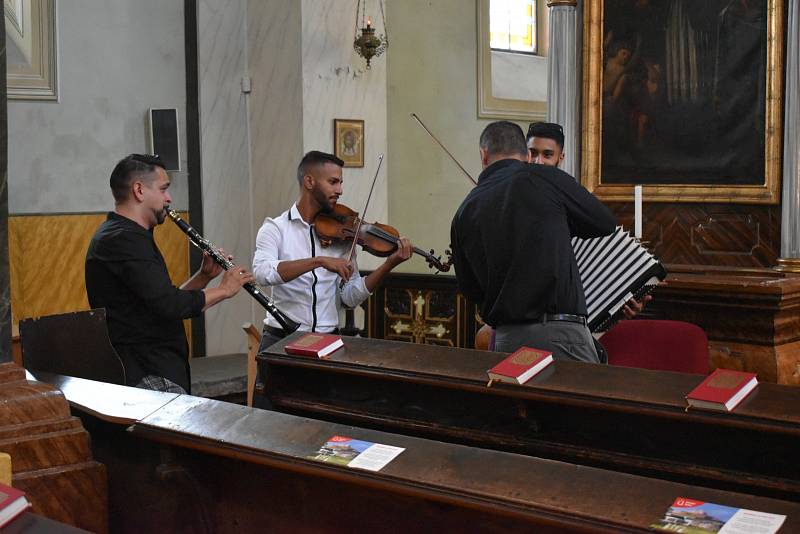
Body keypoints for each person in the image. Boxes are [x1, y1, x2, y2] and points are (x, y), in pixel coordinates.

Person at [85, 154, 253, 394]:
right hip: (146, 373)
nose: (169, 198)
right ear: (139, 190)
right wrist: (225, 290)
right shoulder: (123, 239)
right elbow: (170, 306)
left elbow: (159, 303)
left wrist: (203, 276)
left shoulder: (126, 235)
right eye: (164, 189)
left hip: (156, 367)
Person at [451, 121, 617, 363]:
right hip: (560, 337)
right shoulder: (546, 178)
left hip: (506, 340)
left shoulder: (464, 211)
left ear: (483, 155)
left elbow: (471, 290)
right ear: (527, 154)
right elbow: (604, 222)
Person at [252, 151, 413, 353]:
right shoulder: (275, 229)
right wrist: (318, 261)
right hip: (282, 337)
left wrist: (389, 264)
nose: (340, 190)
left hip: (327, 339)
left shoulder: (341, 235)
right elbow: (262, 273)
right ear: (309, 181)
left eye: (340, 183)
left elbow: (350, 297)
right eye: (333, 182)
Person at [526, 121, 651, 320]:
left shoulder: (578, 203)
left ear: (561, 158)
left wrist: (623, 297)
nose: (538, 162)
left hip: (569, 320)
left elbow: (604, 242)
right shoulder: (516, 195)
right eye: (532, 153)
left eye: (547, 155)